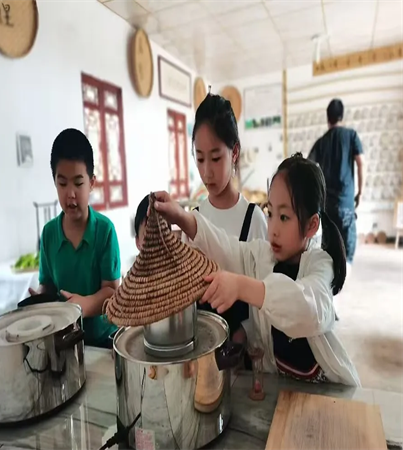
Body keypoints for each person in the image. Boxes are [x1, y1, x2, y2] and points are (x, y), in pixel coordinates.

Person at [153, 153, 360, 386]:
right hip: (281, 388)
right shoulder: (263, 256)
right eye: (270, 213)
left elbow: (310, 309)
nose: (273, 229)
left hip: (326, 391)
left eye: (284, 217)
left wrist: (242, 287)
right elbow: (227, 247)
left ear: (311, 225)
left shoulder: (320, 264)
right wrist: (183, 218)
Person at [186, 93, 268, 343]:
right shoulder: (194, 220)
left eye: (215, 158)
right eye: (200, 158)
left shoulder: (254, 220)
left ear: (234, 153)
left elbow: (267, 301)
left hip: (244, 352)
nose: (206, 172)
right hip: (202, 345)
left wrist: (245, 333)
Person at [29, 128, 121, 348]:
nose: (70, 193)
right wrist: (39, 300)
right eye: (62, 184)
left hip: (103, 340)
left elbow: (112, 291)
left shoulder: (105, 231)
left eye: (78, 183)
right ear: (54, 182)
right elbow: (48, 286)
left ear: (92, 183)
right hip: (64, 341)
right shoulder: (49, 234)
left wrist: (82, 306)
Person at [308, 99, 364, 266]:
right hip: (346, 203)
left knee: (330, 248)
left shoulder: (321, 142)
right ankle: (346, 272)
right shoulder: (351, 136)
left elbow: (308, 166)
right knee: (348, 250)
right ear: (342, 116)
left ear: (328, 118)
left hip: (327, 206)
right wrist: (360, 192)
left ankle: (332, 276)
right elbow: (361, 163)